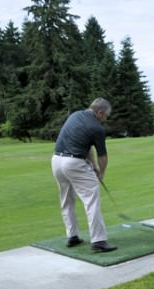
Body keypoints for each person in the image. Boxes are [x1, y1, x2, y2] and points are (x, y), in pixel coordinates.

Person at [51, 98, 117, 252]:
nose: (105, 118)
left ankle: (72, 236)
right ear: (100, 112)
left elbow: (87, 147)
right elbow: (103, 157)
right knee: (91, 200)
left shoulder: (75, 115)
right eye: (106, 115)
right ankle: (99, 241)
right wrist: (101, 173)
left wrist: (94, 167)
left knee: (66, 200)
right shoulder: (97, 128)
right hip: (73, 163)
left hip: (56, 161)